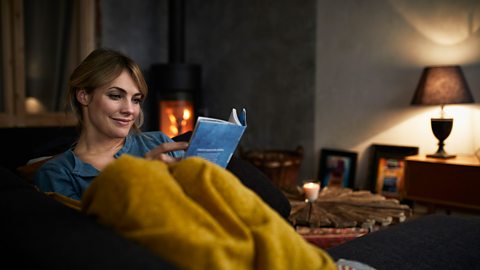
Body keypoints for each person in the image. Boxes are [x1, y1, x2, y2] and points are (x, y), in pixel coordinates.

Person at [34, 48, 189, 200]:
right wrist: (141, 179)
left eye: (136, 100)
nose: (129, 110)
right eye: (115, 96)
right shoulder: (57, 173)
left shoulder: (159, 143)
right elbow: (82, 226)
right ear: (84, 96)